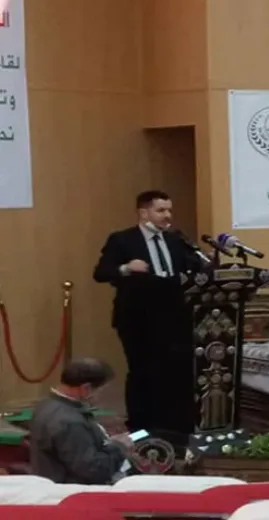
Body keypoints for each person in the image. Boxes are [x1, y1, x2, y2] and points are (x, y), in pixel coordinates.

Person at [92, 190, 203, 446]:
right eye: (161, 210)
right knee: (143, 371)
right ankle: (141, 428)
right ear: (144, 213)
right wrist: (126, 268)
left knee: (176, 372)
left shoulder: (176, 240)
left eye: (169, 210)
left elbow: (194, 268)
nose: (167, 215)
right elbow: (101, 272)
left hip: (175, 318)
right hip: (137, 318)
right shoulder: (122, 239)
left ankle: (176, 428)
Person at [30, 358, 133, 484]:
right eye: (101, 390)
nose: (101, 396)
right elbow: (94, 471)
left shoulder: (45, 405)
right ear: (86, 388)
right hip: (72, 489)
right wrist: (119, 447)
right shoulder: (70, 422)